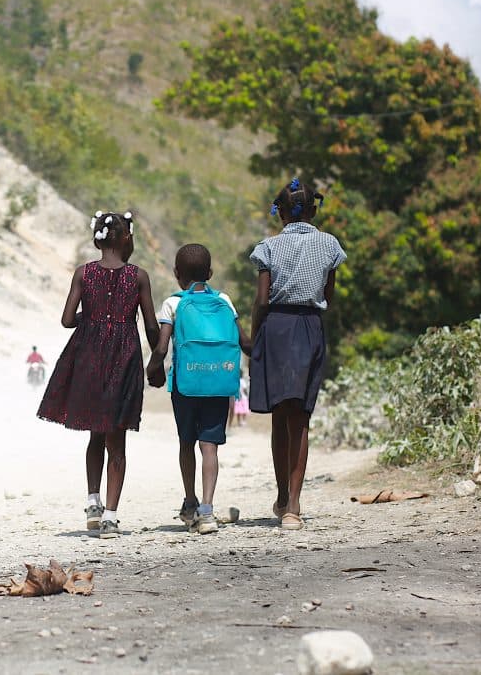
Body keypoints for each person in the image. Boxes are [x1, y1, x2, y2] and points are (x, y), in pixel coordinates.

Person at [37, 210, 160, 539]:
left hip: (89, 356)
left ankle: (93, 503)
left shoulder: (83, 273)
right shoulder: (138, 276)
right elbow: (149, 324)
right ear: (126, 239)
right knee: (116, 439)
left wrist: (91, 317)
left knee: (95, 432)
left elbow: (66, 319)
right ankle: (111, 517)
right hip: (123, 357)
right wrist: (158, 357)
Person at [248, 178, 346, 530]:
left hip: (275, 327)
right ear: (314, 209)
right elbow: (329, 296)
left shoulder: (268, 247)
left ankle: (280, 495)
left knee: (280, 415)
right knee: (300, 418)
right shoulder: (329, 244)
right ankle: (294, 504)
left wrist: (254, 335)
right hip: (309, 327)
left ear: (280, 212)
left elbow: (262, 299)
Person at [146, 244, 250, 535]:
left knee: (186, 443)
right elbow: (244, 343)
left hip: (186, 385)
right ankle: (207, 510)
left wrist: (151, 370)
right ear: (211, 273)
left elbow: (163, 347)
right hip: (219, 384)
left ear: (177, 274)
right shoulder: (225, 301)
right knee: (210, 447)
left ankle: (190, 500)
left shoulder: (173, 304)